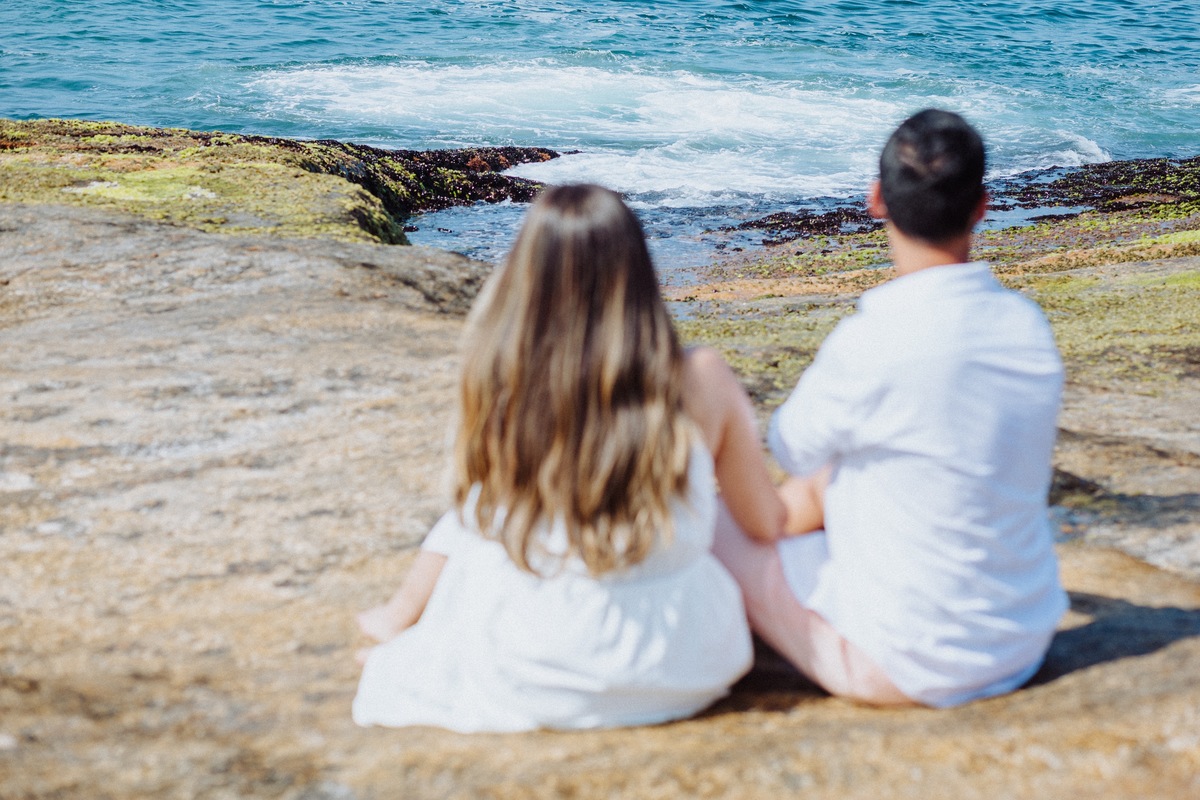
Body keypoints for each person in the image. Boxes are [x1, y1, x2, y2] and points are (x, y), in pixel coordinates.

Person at [352, 184, 786, 732]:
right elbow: (764, 521)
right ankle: (402, 623)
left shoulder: (502, 378)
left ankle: (401, 623)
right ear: (638, 270)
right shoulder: (702, 378)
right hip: (684, 661)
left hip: (537, 667)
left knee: (489, 512)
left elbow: (471, 509)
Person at [713, 109, 1068, 707]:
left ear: (877, 199)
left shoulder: (874, 339)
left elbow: (790, 446)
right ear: (981, 206)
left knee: (708, 517)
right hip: (1021, 642)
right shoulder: (1026, 325)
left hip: (906, 662)